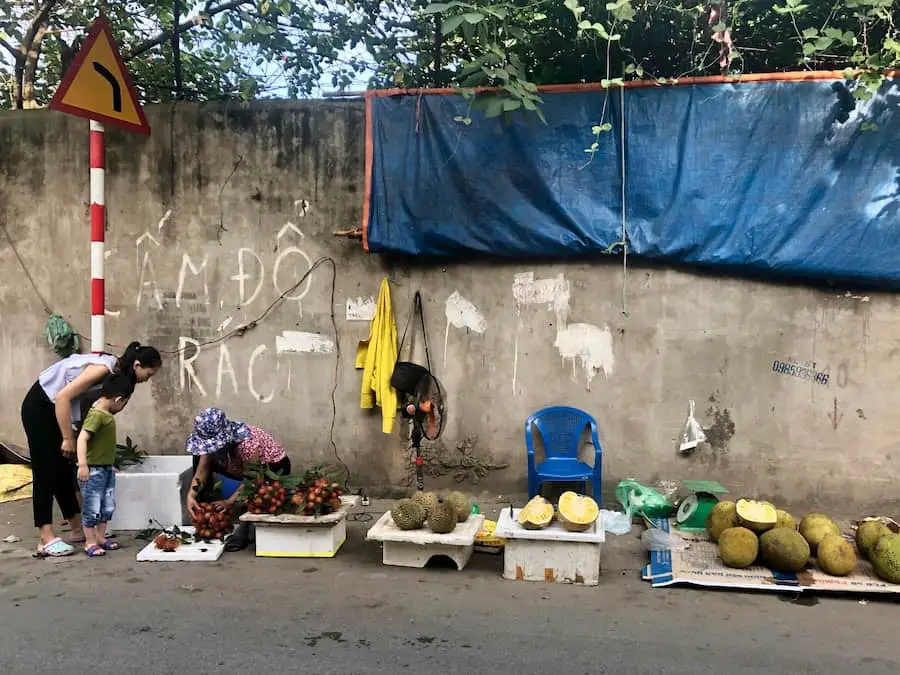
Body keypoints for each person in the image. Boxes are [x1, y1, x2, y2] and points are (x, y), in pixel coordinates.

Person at [21, 341, 162, 557]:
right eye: (149, 374)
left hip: (60, 412)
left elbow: (88, 408)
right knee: (46, 470)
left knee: (64, 469)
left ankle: (78, 528)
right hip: (41, 407)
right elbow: (62, 397)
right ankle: (46, 537)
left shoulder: (116, 379)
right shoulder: (102, 369)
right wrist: (68, 438)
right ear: (136, 365)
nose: (147, 380)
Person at [184, 407, 290, 551]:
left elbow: (252, 480)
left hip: (271, 468)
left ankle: (244, 527)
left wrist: (229, 501)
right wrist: (191, 494)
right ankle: (206, 511)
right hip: (236, 465)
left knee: (258, 490)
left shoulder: (248, 445)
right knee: (199, 458)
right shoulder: (214, 445)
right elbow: (202, 470)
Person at [76, 374, 134, 557]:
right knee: (92, 507)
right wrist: (83, 464)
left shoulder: (105, 414)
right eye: (124, 403)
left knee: (107, 505)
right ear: (118, 399)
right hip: (93, 470)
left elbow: (103, 444)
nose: (123, 407)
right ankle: (90, 541)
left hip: (106, 468)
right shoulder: (97, 415)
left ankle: (100, 537)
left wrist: (110, 464)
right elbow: (82, 438)